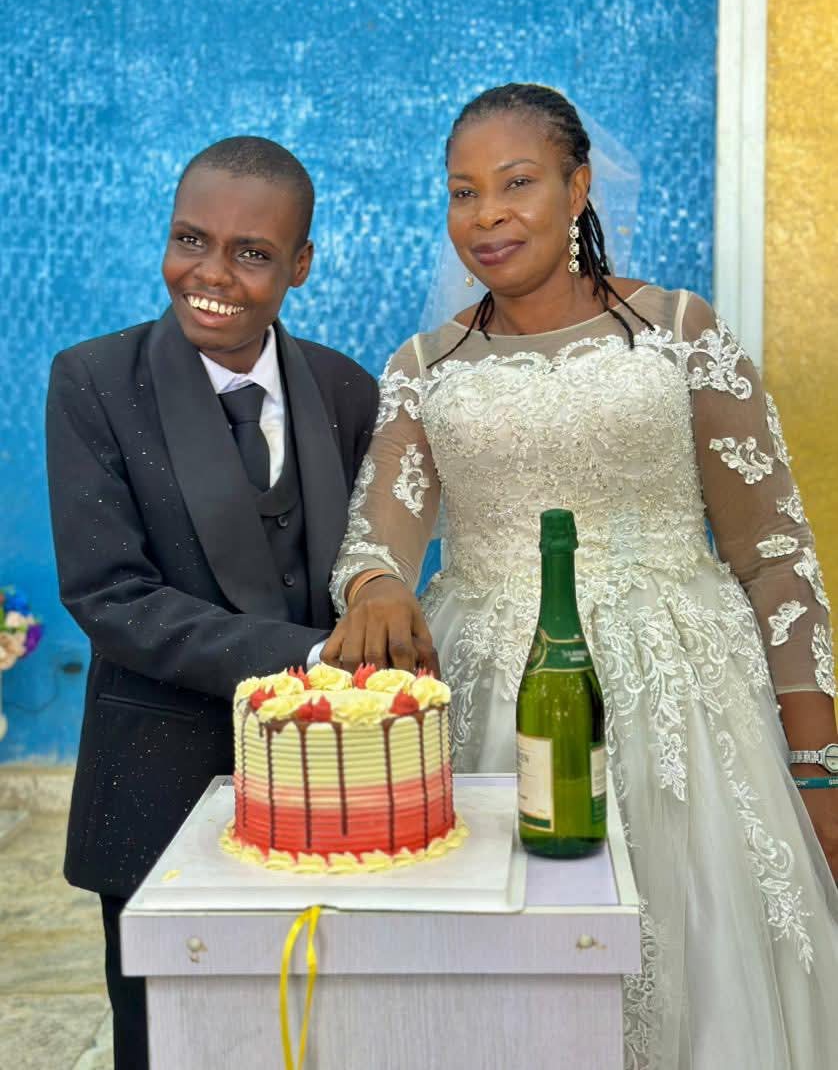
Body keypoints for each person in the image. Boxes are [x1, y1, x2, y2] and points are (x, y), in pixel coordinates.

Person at [324, 85, 838, 1067]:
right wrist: (375, 586)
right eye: (463, 192)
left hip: (684, 713)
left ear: (579, 187)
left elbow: (775, 559)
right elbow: (374, 539)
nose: (487, 215)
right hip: (494, 712)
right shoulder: (424, 365)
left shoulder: (680, 332)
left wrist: (818, 765)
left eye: (516, 183)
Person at [46, 136, 378, 1070]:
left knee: (318, 1031)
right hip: (158, 786)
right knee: (171, 1042)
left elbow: (362, 561)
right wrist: (307, 656)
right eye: (190, 239)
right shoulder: (94, 381)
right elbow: (110, 596)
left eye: (252, 252)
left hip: (322, 786)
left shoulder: (348, 391)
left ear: (300, 264)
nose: (212, 274)